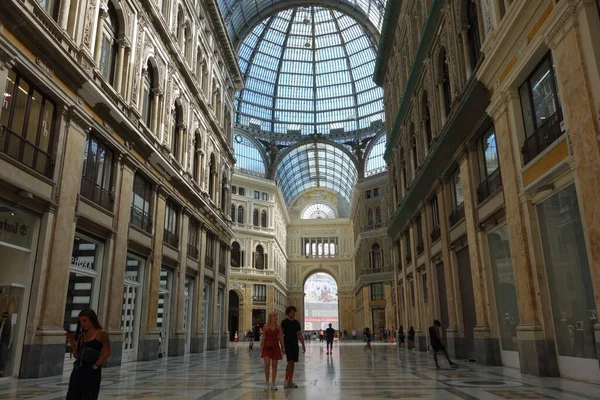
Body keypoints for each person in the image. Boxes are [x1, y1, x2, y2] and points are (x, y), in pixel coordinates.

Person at [66, 309, 111, 400]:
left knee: (89, 395)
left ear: (92, 319)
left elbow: (107, 352)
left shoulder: (101, 333)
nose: (82, 324)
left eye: (85, 320)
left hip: (91, 371)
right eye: (80, 321)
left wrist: (96, 365)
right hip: (77, 371)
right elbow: (77, 356)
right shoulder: (82, 334)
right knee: (72, 396)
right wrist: (73, 346)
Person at [281, 306, 306, 389]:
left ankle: (290, 380)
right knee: (290, 362)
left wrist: (303, 345)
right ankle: (286, 380)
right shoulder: (284, 322)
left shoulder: (296, 322)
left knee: (293, 363)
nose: (293, 313)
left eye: (294, 312)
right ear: (288, 313)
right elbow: (281, 335)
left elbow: (299, 334)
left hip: (295, 345)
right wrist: (282, 346)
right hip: (287, 344)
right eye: (292, 312)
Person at [260, 312, 285, 391]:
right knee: (267, 364)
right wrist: (261, 346)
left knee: (275, 365)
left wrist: (282, 347)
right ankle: (267, 382)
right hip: (267, 346)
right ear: (270, 317)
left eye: (276, 316)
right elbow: (263, 336)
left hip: (275, 346)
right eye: (275, 316)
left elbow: (281, 337)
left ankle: (273, 383)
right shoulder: (265, 326)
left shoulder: (278, 326)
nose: (276, 317)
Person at [0, 312, 11, 377]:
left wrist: (9, 343)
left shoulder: (8, 323)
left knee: (2, 357)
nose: (4, 318)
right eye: (3, 317)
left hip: (4, 342)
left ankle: (1, 371)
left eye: (5, 317)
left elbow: (8, 334)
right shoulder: (1, 322)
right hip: (1, 341)